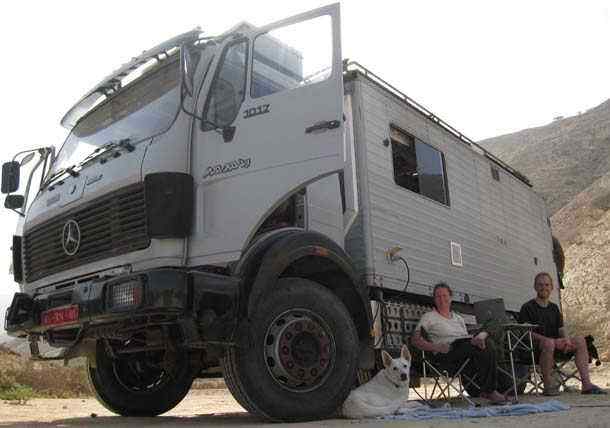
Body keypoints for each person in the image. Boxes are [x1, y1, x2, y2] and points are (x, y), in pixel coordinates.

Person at [412, 282, 507, 404]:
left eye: (444, 296)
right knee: (483, 344)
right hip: (447, 353)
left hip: (466, 351)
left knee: (489, 340)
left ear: (451, 298)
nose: (442, 299)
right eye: (438, 296)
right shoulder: (429, 317)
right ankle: (491, 391)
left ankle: (493, 388)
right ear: (434, 299)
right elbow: (415, 340)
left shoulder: (459, 318)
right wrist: (436, 347)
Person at [519, 272, 607, 395]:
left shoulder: (554, 308)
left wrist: (566, 340)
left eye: (547, 285)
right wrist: (552, 341)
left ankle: (586, 385)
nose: (544, 287)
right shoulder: (527, 307)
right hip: (535, 350)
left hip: (556, 347)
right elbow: (526, 333)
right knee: (548, 343)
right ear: (535, 287)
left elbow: (561, 329)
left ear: (551, 287)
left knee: (580, 340)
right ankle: (548, 386)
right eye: (540, 285)